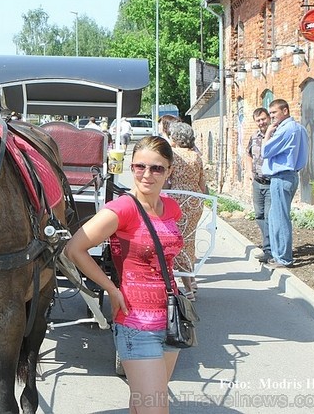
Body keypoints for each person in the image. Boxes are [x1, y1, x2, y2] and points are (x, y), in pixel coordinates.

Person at [64, 136, 183, 414]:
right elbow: (75, 249)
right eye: (140, 166)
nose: (147, 174)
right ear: (131, 167)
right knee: (155, 408)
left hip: (170, 319)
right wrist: (111, 289)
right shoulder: (123, 209)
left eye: (157, 168)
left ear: (169, 171)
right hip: (136, 324)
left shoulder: (171, 208)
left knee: (142, 404)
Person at [261, 99, 309, 268]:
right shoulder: (300, 128)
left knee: (280, 218)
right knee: (276, 216)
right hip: (290, 175)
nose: (271, 116)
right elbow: (304, 155)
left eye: (274, 112)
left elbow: (266, 151)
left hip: (281, 177)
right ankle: (278, 255)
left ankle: (283, 258)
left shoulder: (286, 129)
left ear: (285, 111)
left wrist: (267, 134)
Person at [166, 122, 207, 299]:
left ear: (175, 138)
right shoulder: (196, 156)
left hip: (177, 201)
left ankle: (186, 286)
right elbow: (202, 183)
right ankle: (191, 281)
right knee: (188, 240)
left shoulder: (173, 156)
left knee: (175, 241)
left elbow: (166, 179)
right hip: (194, 202)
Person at [245, 108, 273, 263]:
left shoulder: (275, 134)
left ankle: (268, 249)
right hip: (257, 182)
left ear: (268, 118)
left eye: (263, 119)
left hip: (271, 182)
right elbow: (248, 154)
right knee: (259, 215)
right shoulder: (254, 136)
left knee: (269, 216)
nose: (261, 122)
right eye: (258, 120)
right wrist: (249, 172)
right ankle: (269, 244)